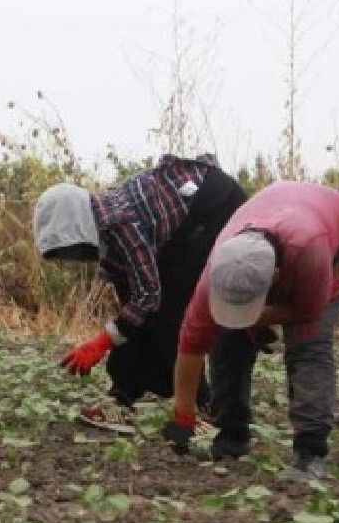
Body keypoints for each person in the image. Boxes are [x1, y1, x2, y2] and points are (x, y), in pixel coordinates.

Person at [161, 180, 339, 480]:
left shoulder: (309, 251)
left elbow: (306, 313)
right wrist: (183, 416)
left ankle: (310, 451)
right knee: (227, 339)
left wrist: (255, 320)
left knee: (307, 343)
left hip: (336, 237)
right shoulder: (218, 268)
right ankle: (231, 438)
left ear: (276, 278)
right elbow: (191, 344)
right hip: (280, 220)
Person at [34, 153, 248, 434]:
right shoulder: (104, 227)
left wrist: (101, 342)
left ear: (78, 225)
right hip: (188, 218)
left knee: (173, 313)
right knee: (141, 313)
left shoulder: (121, 223)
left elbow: (149, 295)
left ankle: (204, 409)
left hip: (215, 204)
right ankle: (122, 395)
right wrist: (116, 334)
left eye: (73, 250)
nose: (76, 257)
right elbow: (133, 303)